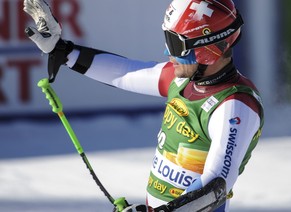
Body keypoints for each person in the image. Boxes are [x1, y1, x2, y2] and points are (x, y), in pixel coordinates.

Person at [23, 0, 264, 211]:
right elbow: (127, 71)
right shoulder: (183, 79)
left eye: (175, 44)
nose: (167, 52)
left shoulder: (235, 106)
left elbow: (215, 187)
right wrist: (62, 50)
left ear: (208, 49)